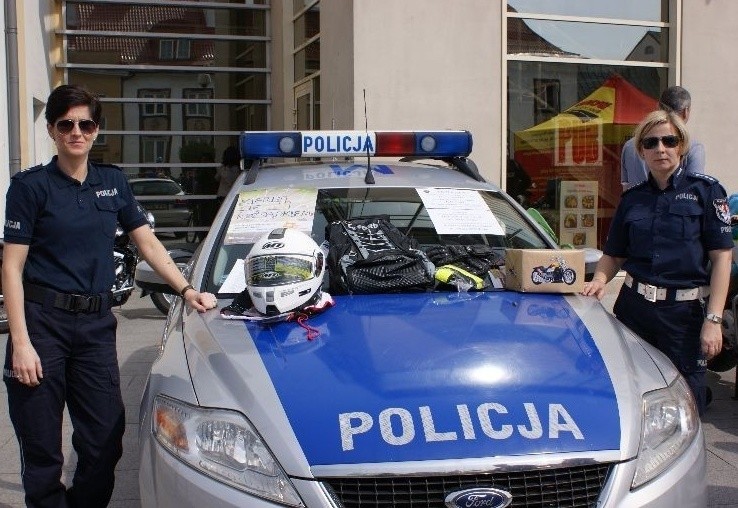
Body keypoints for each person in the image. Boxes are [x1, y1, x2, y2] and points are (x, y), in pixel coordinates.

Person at [1, 85, 219, 508]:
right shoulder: (31, 188)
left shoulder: (112, 182)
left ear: (97, 130)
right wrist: (21, 344)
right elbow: (11, 267)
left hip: (96, 326)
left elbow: (148, 244)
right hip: (42, 323)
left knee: (104, 437)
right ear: (52, 130)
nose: (76, 132)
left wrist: (187, 289)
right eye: (66, 124)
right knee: (42, 443)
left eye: (85, 123)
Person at [583, 109, 733, 416]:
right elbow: (614, 254)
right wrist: (599, 279)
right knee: (632, 397)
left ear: (681, 145)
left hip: (683, 316)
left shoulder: (705, 191)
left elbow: (722, 258)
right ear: (641, 151)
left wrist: (714, 320)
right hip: (634, 311)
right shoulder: (633, 199)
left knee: (686, 407)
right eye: (651, 143)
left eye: (668, 140)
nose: (660, 148)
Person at [621, 86, 706, 191]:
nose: (660, 149)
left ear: (658, 107)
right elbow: (695, 191)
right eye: (650, 143)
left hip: (636, 206)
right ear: (685, 112)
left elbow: (625, 189)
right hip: (674, 206)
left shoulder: (630, 145)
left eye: (670, 142)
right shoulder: (693, 147)